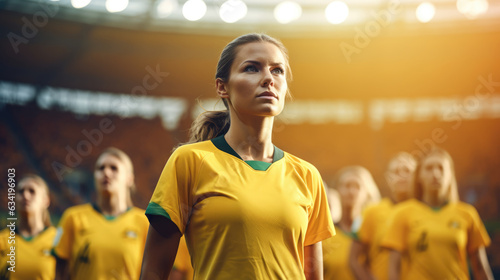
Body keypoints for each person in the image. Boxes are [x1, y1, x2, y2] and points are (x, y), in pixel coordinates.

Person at [140, 33, 335, 280]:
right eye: (252, 68)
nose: (268, 78)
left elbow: (313, 275)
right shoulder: (190, 161)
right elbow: (153, 272)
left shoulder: (308, 175)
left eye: (278, 71)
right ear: (222, 86)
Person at [381, 147, 494, 280]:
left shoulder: (467, 214)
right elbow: (394, 268)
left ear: (450, 175)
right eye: (429, 168)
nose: (435, 173)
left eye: (441, 168)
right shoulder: (403, 213)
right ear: (419, 176)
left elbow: (480, 267)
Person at [53, 147, 149, 280]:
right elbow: (60, 272)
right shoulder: (73, 218)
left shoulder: (145, 222)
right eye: (100, 168)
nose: (106, 172)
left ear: (129, 179)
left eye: (114, 168)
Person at [349, 152, 416, 280]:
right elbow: (354, 259)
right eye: (396, 172)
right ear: (388, 178)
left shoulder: (426, 211)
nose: (401, 176)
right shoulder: (371, 212)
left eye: (407, 171)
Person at [322, 166, 381, 280]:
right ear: (338, 190)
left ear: (367, 192)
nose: (351, 191)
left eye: (357, 186)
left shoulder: (373, 233)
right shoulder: (325, 233)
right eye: (347, 185)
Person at [0, 174, 57, 280]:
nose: (25, 195)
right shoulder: (2, 240)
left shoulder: (57, 240)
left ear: (46, 201)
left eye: (32, 191)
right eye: (20, 191)